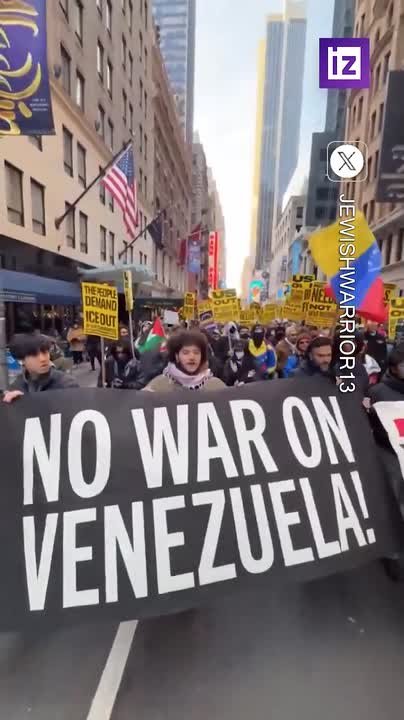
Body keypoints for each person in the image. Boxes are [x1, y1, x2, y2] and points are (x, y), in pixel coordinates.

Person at [368, 345, 404, 580]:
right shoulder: (378, 392)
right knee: (393, 503)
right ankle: (391, 553)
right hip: (390, 455)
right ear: (393, 367)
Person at [2, 334, 79, 403]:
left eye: (45, 352)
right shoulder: (16, 386)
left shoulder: (66, 384)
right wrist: (16, 404)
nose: (43, 359)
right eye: (34, 355)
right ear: (21, 360)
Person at [144, 329, 225, 392]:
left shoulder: (215, 385)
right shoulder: (159, 385)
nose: (192, 357)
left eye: (196, 352)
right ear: (177, 356)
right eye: (186, 353)